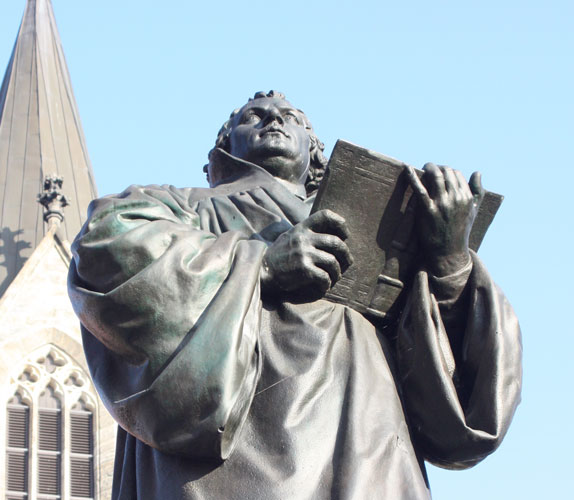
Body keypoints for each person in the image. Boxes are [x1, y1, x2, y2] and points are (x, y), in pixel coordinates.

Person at [68, 91, 522, 499]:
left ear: (315, 154)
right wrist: (260, 264)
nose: (274, 120)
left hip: (370, 450)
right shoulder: (183, 205)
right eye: (255, 117)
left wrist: (448, 263)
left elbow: (458, 412)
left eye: (291, 118)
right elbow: (105, 246)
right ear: (222, 149)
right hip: (239, 459)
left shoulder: (377, 231)